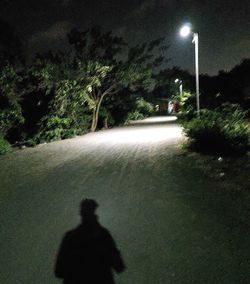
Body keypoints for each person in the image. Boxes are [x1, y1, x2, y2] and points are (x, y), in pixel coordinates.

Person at [55, 199, 125, 284]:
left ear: (81, 213)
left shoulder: (70, 237)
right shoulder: (103, 236)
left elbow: (59, 271)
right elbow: (119, 266)